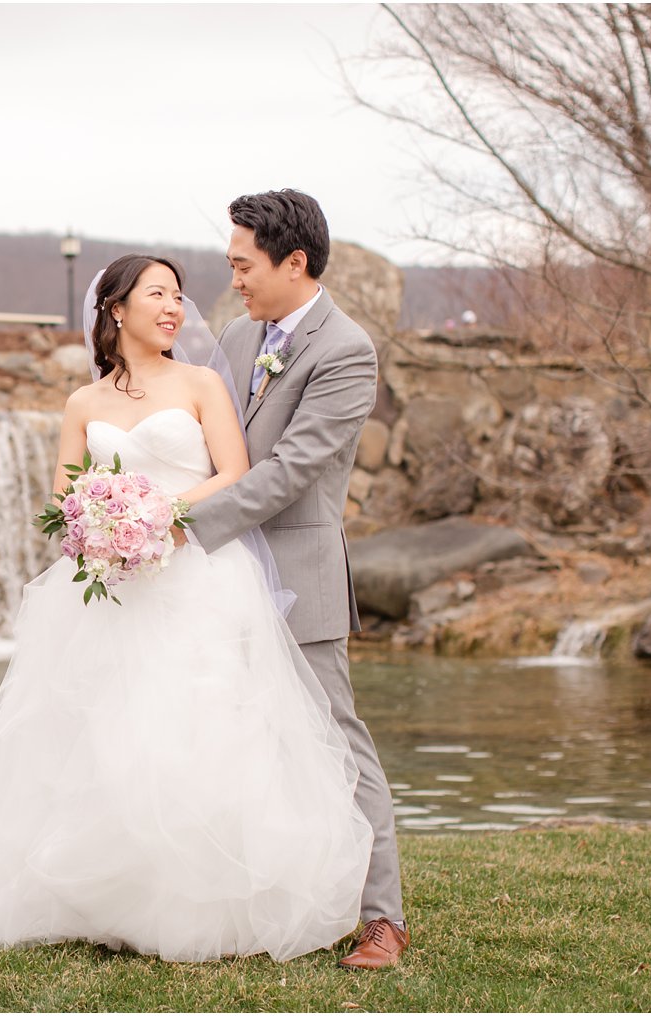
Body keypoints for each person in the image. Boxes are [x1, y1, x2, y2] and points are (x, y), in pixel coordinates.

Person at [0, 252, 373, 963]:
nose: (174, 308)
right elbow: (64, 501)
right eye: (158, 294)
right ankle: (117, 897)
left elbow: (235, 474)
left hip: (199, 577)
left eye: (179, 296)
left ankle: (212, 902)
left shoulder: (203, 383)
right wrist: (94, 524)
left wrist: (159, 516)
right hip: (113, 586)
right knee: (111, 735)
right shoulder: (82, 405)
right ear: (116, 309)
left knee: (202, 727)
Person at [182, 189, 407, 969]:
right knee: (232, 735)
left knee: (336, 742)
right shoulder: (239, 337)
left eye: (244, 263)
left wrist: (182, 523)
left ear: (295, 262)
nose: (235, 277)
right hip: (219, 581)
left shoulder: (346, 349)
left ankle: (383, 918)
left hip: (295, 575)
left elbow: (290, 471)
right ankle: (258, 900)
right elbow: (208, 443)